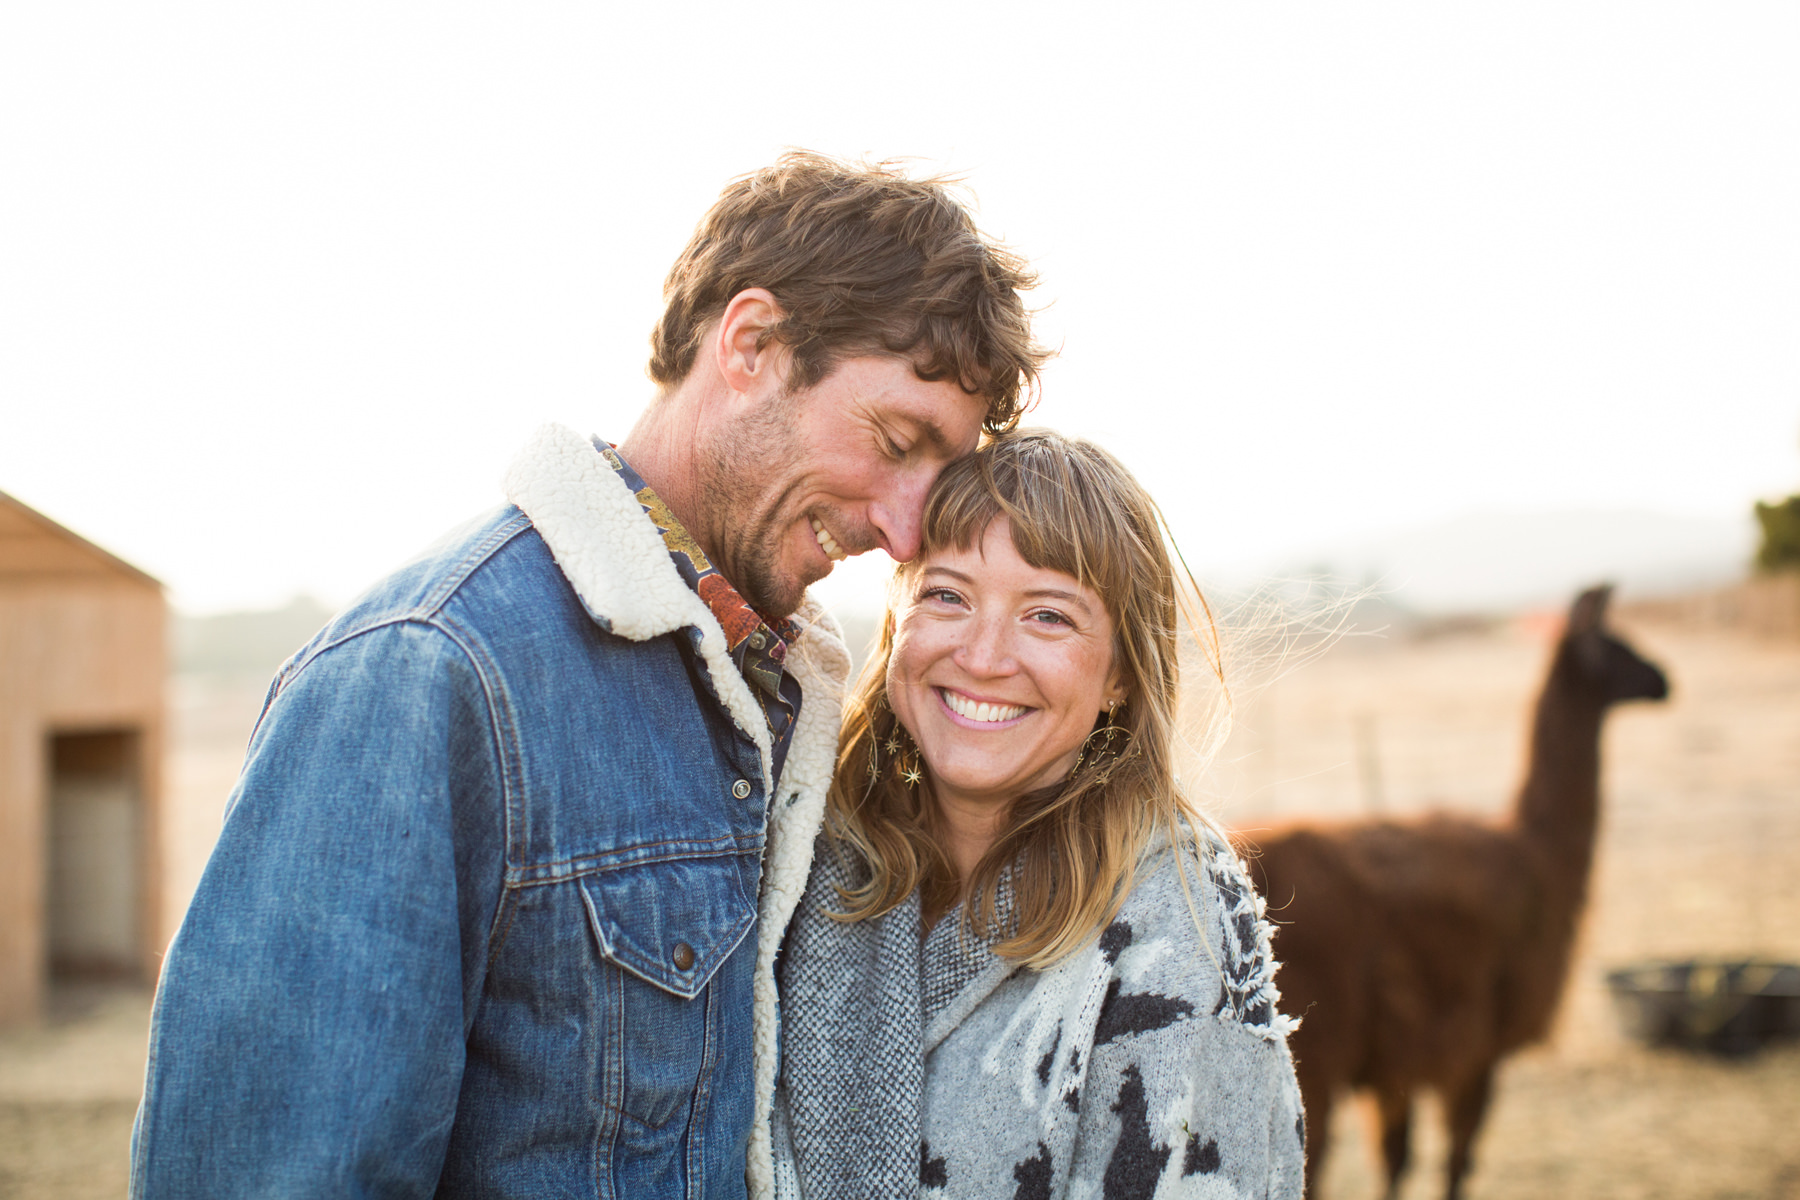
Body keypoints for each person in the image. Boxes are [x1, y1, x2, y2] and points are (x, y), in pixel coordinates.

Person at [130, 152, 1046, 1199]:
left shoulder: (781, 692)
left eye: (941, 476)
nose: (904, 530)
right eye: (893, 441)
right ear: (750, 346)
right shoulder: (428, 675)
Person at [772, 430, 1306, 1199]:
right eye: (947, 595)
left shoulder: (1174, 914)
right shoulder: (798, 856)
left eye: (1048, 616)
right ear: (898, 627)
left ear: (1120, 674)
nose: (985, 656)